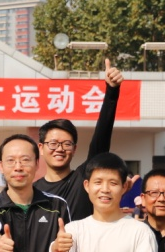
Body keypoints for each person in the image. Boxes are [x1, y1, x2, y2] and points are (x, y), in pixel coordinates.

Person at [33, 60, 122, 222]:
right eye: (53, 143)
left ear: (74, 149)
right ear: (41, 148)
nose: (60, 149)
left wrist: (112, 92)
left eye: (67, 144)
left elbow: (101, 139)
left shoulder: (82, 179)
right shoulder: (33, 191)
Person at [0, 134, 71, 252]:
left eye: (25, 160)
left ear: (37, 164)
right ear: (1, 166)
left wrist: (58, 251)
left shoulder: (57, 205)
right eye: (11, 160)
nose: (18, 167)